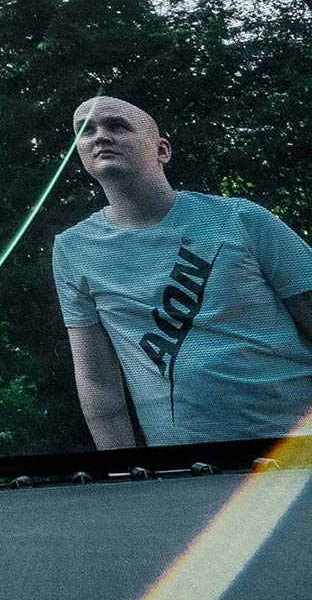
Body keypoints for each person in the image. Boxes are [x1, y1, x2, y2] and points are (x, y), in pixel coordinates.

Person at [56, 94, 312, 450]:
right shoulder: (72, 248)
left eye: (117, 126)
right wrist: (118, 469)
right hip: (187, 461)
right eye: (86, 130)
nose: (100, 135)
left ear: (162, 150)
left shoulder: (240, 217)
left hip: (298, 440)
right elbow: (97, 381)